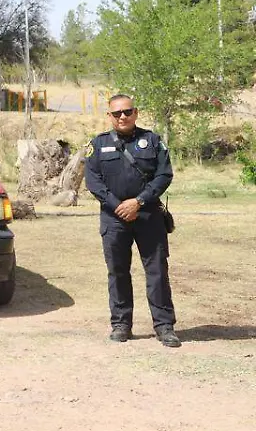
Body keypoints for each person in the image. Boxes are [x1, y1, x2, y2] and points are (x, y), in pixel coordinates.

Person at [83, 94, 179, 347]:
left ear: (135, 113)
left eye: (127, 112)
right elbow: (93, 181)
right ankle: (121, 324)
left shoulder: (152, 140)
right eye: (117, 113)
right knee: (117, 272)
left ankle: (164, 325)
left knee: (157, 271)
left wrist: (139, 202)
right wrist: (119, 206)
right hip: (114, 219)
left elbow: (164, 175)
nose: (123, 117)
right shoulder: (98, 144)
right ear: (110, 116)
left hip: (148, 215)